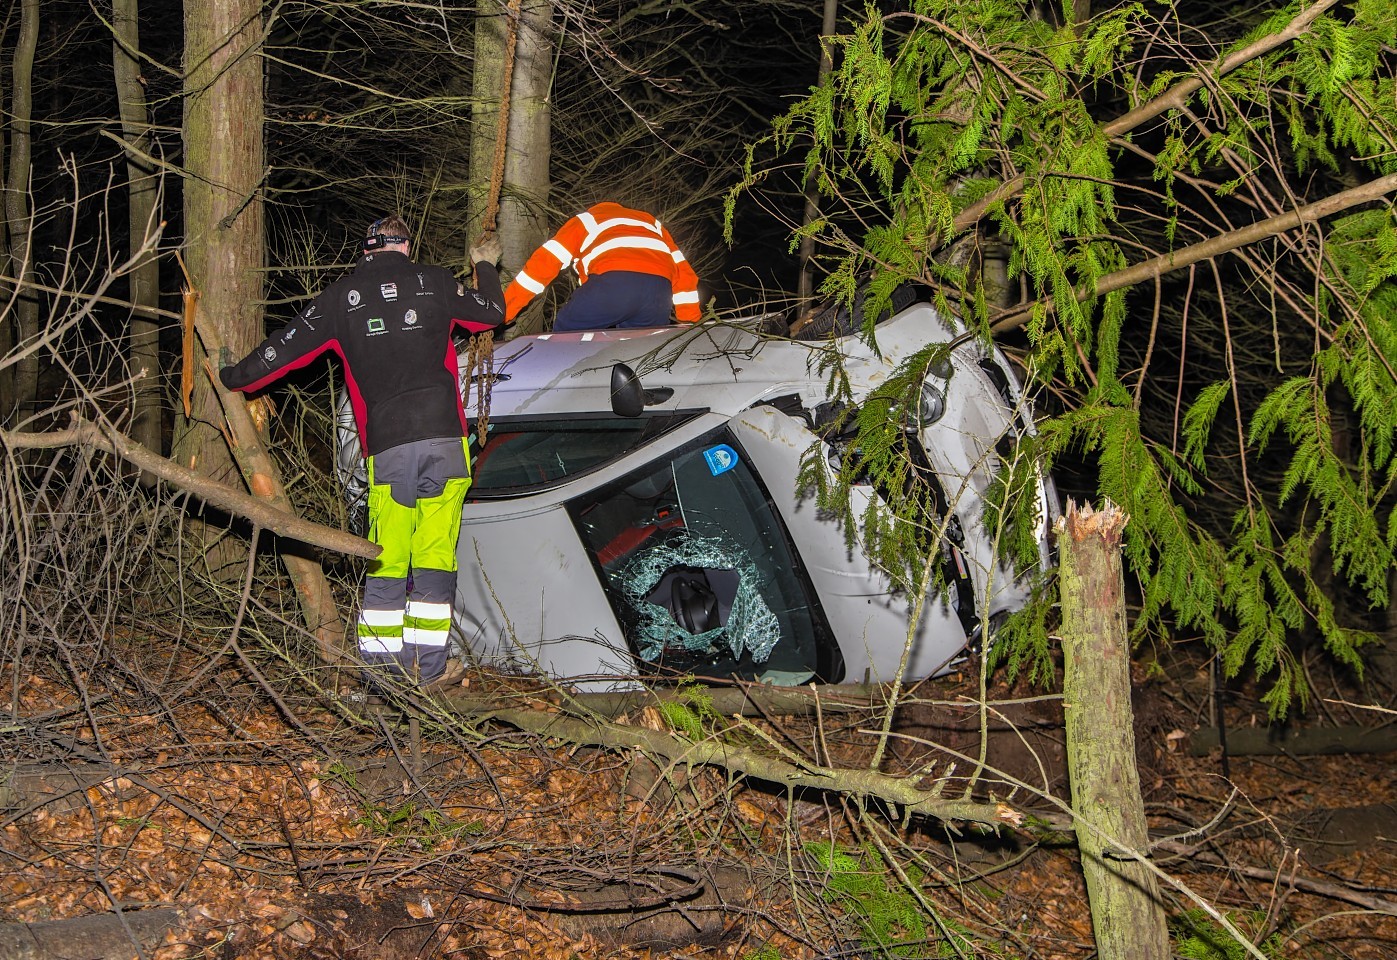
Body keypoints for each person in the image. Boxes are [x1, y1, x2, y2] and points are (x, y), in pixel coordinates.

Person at [220, 215, 505, 690]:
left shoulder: (340, 300)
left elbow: (283, 349)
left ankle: (382, 679)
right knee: (435, 557)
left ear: (366, 251)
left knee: (388, 559)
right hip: (447, 445)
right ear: (406, 247)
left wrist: (234, 376)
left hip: (389, 450)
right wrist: (485, 265)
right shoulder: (435, 282)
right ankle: (429, 672)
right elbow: (493, 312)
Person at [503, 200, 701, 330]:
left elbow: (544, 264)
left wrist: (505, 311)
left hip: (614, 285)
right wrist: (688, 323)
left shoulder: (587, 220)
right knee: (638, 354)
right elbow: (684, 274)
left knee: (566, 335)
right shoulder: (652, 223)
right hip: (658, 294)